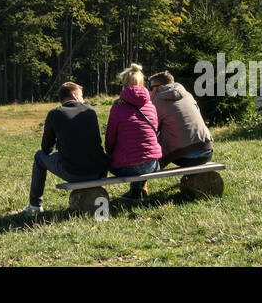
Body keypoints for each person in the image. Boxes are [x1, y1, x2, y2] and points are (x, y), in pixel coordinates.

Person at [23, 82, 109, 214]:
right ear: (74, 95)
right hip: (99, 171)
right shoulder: (90, 110)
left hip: (74, 173)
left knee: (39, 156)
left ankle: (35, 205)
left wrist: (60, 144)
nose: (83, 99)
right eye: (81, 96)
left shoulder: (54, 114)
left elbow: (46, 149)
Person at [104, 64, 162, 201]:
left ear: (123, 84)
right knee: (141, 156)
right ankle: (137, 190)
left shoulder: (118, 107)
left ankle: (136, 191)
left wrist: (110, 152)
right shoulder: (151, 105)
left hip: (127, 168)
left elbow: (110, 141)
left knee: (110, 157)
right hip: (152, 165)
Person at [147, 71, 214, 168]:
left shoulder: (158, 101)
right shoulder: (188, 95)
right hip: (207, 150)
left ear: (159, 87)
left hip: (185, 156)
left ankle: (139, 182)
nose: (149, 91)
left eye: (150, 87)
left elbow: (151, 130)